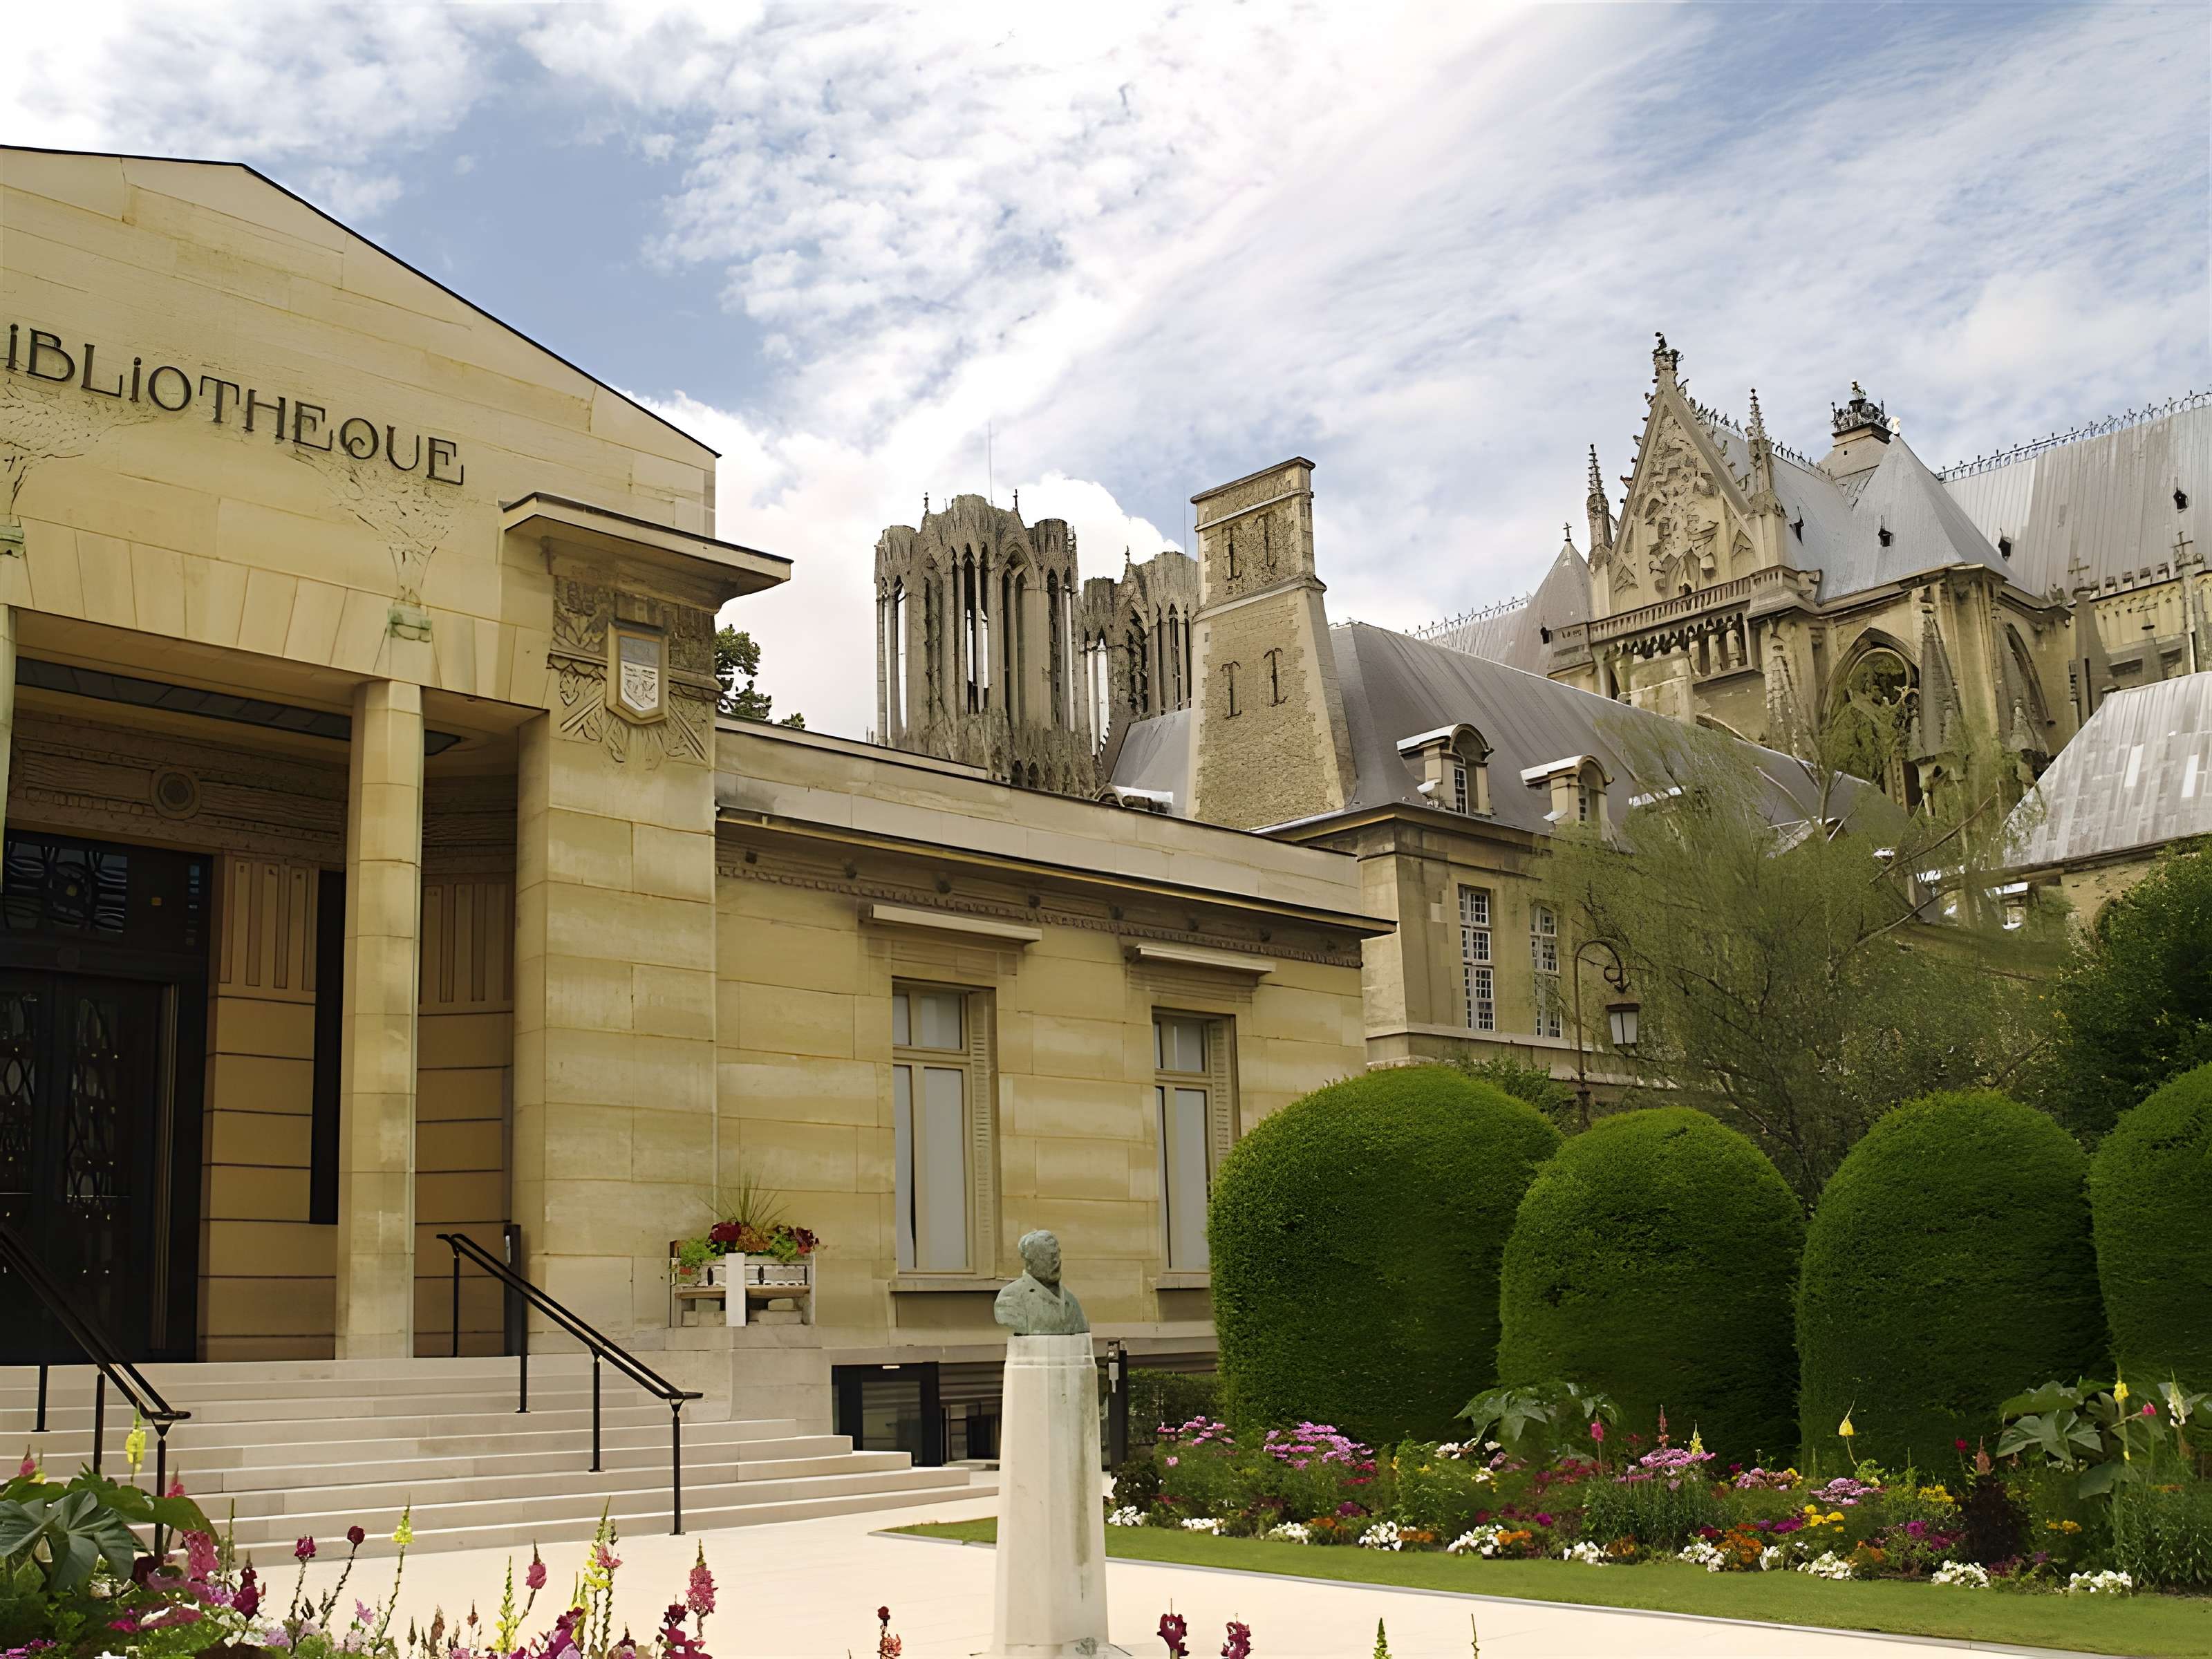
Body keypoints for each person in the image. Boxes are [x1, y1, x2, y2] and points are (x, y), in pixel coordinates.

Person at [992, 1228, 1088, 1335]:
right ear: (1030, 1262)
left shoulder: (1070, 1300)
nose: (1056, 1261)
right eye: (1048, 1257)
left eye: (1057, 1254)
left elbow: (1082, 1331)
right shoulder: (1011, 1297)